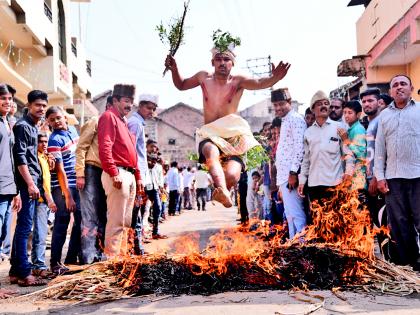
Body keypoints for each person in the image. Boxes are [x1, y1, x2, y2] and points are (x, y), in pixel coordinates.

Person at [165, 32, 290, 207]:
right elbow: (181, 85)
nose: (222, 63)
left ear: (232, 63)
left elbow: (260, 82)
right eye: (218, 59)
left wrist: (275, 78)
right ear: (212, 62)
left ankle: (224, 188)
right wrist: (174, 69)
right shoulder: (203, 77)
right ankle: (222, 189)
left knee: (232, 175)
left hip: (233, 135)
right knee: (211, 153)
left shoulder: (238, 81)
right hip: (210, 134)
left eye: (226, 59)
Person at [374, 75, 420, 270]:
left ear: (411, 88)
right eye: (395, 85)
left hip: (418, 175)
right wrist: (380, 177)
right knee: (399, 223)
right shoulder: (384, 116)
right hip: (393, 178)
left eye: (403, 84)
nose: (399, 87)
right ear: (390, 91)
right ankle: (409, 263)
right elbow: (379, 149)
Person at [98, 84, 142, 258]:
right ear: (115, 101)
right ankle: (111, 259)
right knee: (116, 221)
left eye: (131, 101)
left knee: (126, 221)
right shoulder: (109, 117)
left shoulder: (124, 121)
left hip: (129, 174)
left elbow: (133, 152)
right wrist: (113, 171)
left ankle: (121, 257)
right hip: (118, 173)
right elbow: (105, 147)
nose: (130, 105)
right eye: (126, 100)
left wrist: (138, 176)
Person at [10, 90, 48, 286]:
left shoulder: (33, 126)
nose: (41, 109)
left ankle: (15, 271)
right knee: (25, 228)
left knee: (23, 229)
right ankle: (25, 274)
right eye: (38, 105)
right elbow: (20, 157)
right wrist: (31, 183)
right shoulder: (23, 126)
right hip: (26, 184)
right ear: (29, 105)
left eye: (44, 105)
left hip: (31, 182)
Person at [297, 91, 354, 209]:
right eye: (319, 104)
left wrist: (348, 172)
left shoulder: (340, 128)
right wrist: (302, 181)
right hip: (314, 185)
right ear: (312, 109)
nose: (323, 106)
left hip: (334, 184)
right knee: (317, 223)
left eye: (326, 103)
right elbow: (306, 159)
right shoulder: (308, 133)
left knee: (335, 222)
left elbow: (348, 153)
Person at [75, 96, 112, 264]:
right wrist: (80, 174)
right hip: (91, 170)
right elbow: (81, 147)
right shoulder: (95, 121)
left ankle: (98, 256)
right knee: (89, 216)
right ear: (110, 105)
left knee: (103, 216)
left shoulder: (115, 125)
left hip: (107, 173)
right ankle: (88, 259)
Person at [47, 106, 82, 274]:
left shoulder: (74, 131)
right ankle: (55, 264)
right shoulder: (54, 140)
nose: (56, 121)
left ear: (65, 118)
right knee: (62, 223)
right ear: (48, 122)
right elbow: (59, 170)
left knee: (80, 221)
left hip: (77, 184)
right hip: (62, 187)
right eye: (52, 120)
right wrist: (67, 195)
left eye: (58, 118)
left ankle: (70, 257)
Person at [272, 88, 307, 238]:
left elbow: (300, 148)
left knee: (297, 214)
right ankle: (295, 247)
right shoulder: (286, 120)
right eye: (275, 105)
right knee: (290, 215)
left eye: (281, 104)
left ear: (289, 102)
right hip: (284, 177)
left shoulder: (296, 119)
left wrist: (293, 173)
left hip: (291, 176)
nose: (278, 108)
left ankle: (302, 248)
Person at [359, 88, 389, 259]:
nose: (367, 104)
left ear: (379, 102)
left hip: (378, 181)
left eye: (370, 101)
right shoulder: (370, 123)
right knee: (376, 225)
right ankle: (385, 262)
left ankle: (391, 262)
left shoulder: (381, 121)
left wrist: (376, 178)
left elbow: (382, 152)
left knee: (384, 225)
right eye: (364, 102)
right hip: (369, 180)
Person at [127, 94, 158, 253]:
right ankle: (135, 247)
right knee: (135, 212)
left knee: (138, 211)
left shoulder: (138, 123)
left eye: (153, 109)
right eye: (148, 108)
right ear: (140, 106)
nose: (151, 112)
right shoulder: (135, 124)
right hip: (136, 175)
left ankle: (136, 246)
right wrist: (138, 176)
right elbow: (131, 150)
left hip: (139, 175)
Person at [31, 132, 57, 277]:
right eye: (41, 142)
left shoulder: (44, 157)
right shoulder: (34, 157)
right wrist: (49, 199)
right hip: (39, 200)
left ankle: (37, 264)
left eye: (46, 142)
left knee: (40, 233)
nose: (44, 144)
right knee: (39, 234)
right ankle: (38, 265)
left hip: (44, 201)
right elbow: (39, 182)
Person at [0, 84, 20, 262]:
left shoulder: (7, 122)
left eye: (10, 98)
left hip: (8, 186)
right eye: (3, 98)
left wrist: (16, 190)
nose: (7, 101)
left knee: (3, 235)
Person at [338, 101, 367, 194]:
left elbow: (362, 154)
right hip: (352, 176)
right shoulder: (350, 128)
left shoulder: (358, 129)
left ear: (358, 115)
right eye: (345, 112)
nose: (346, 115)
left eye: (350, 113)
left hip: (358, 178)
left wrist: (346, 140)